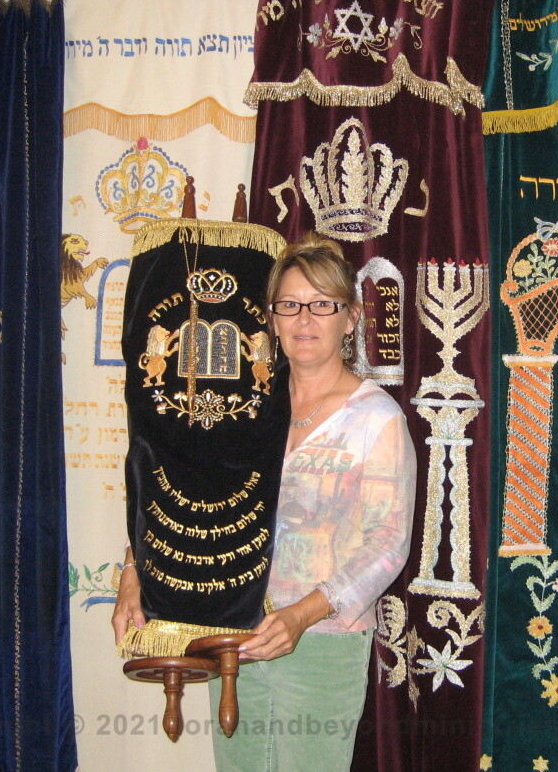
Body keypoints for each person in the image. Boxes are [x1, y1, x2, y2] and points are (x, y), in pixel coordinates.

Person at [112, 232, 417, 770]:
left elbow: (387, 546)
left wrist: (301, 616)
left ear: (349, 319)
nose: (305, 319)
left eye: (323, 305)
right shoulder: (245, 407)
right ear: (270, 318)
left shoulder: (376, 419)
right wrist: (136, 571)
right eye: (290, 305)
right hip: (230, 629)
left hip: (322, 642)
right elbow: (179, 484)